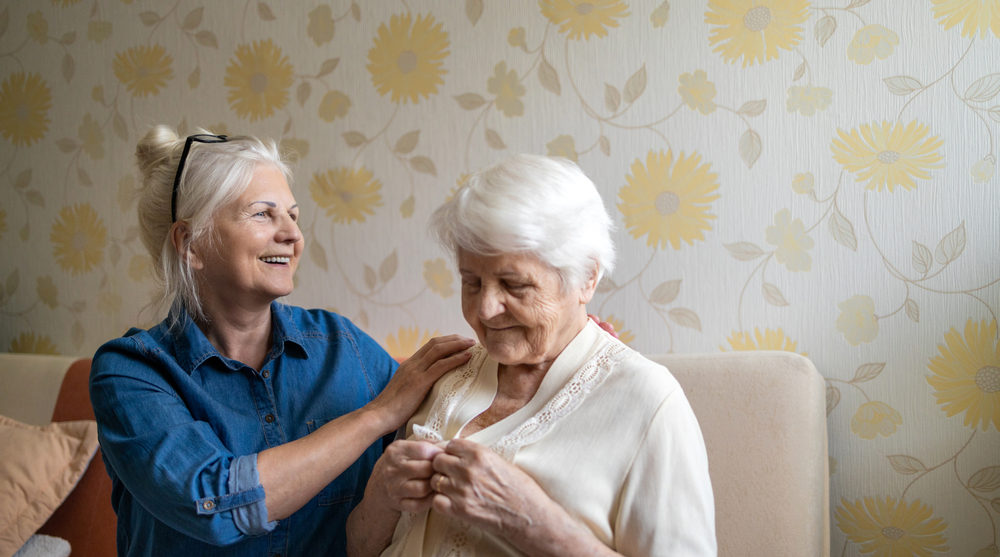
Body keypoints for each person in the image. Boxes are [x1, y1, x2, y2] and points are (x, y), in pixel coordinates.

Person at [89, 125, 474, 556]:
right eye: (262, 214)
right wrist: (374, 416)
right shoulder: (131, 373)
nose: (292, 235)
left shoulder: (344, 347)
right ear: (191, 243)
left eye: (293, 215)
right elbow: (214, 506)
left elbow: (456, 425)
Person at [346, 154, 716, 556]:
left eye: (514, 285)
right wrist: (381, 493)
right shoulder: (441, 375)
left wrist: (529, 521)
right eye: (471, 282)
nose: (485, 309)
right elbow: (359, 547)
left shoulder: (647, 400)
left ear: (586, 278)